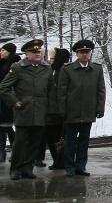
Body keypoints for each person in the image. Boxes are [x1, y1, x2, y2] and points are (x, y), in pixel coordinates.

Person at [0, 39, 52, 180]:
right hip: (23, 110)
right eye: (34, 52)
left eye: (39, 51)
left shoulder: (47, 68)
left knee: (35, 142)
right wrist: (14, 102)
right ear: (26, 54)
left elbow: (51, 90)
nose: (37, 54)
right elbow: (4, 87)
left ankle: (27, 169)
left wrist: (50, 108)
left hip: (41, 110)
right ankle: (15, 169)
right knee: (20, 142)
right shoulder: (17, 67)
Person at [58, 39, 105, 177]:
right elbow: (61, 92)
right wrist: (62, 110)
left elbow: (101, 90)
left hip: (88, 111)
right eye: (82, 52)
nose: (85, 55)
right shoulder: (68, 69)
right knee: (71, 142)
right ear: (77, 54)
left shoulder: (96, 69)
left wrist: (99, 108)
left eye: (87, 52)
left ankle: (81, 166)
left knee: (84, 142)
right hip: (71, 112)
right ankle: (69, 167)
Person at [37, 48, 71, 170]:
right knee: (52, 138)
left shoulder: (61, 71)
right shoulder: (55, 70)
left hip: (55, 112)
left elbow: (59, 92)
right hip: (52, 111)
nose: (50, 61)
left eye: (52, 58)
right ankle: (58, 161)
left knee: (55, 139)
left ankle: (59, 161)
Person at [0, 42, 21, 164]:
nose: (1, 52)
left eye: (3, 50)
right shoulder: (2, 63)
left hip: (10, 99)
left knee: (7, 126)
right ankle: (2, 152)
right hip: (1, 99)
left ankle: (16, 150)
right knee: (2, 127)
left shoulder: (14, 64)